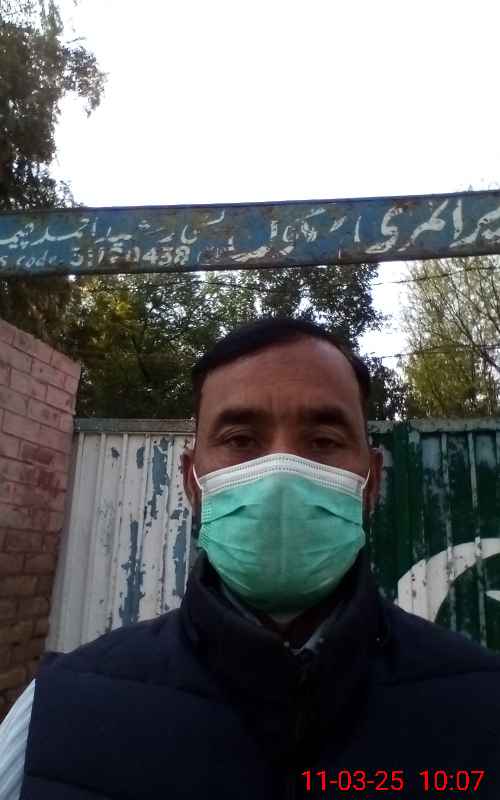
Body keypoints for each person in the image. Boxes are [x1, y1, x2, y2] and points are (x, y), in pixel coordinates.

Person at [1, 315, 500, 800]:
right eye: (240, 440)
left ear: (371, 484)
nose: (281, 472)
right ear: (192, 481)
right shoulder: (53, 716)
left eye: (323, 441)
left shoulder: (483, 706)